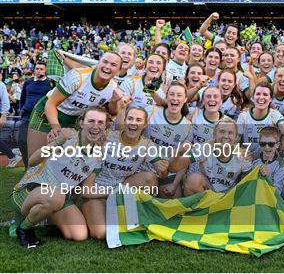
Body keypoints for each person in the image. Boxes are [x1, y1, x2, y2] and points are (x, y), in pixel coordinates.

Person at [10, 106, 109, 248]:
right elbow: (32, 161)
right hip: (31, 190)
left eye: (100, 122)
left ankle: (44, 215)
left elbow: (86, 190)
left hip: (59, 197)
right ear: (81, 123)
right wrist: (58, 141)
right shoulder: (67, 136)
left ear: (105, 126)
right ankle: (24, 228)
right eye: (91, 121)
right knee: (57, 196)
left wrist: (113, 191)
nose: (95, 126)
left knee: (79, 234)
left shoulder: (98, 155)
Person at [81, 106, 168, 240]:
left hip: (120, 190)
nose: (133, 123)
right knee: (100, 233)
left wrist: (163, 168)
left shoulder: (147, 144)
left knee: (149, 178)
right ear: (125, 121)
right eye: (130, 118)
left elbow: (162, 175)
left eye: (138, 120)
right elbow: (86, 189)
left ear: (144, 125)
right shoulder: (107, 136)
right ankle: (100, 213)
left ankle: (136, 215)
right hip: (96, 191)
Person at [27, 52, 123, 166]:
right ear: (98, 63)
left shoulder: (113, 87)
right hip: (47, 112)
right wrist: (55, 127)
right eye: (105, 62)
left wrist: (114, 101)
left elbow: (112, 112)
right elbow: (51, 103)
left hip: (73, 120)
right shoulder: (78, 77)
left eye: (113, 64)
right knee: (35, 161)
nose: (107, 66)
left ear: (118, 71)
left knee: (62, 164)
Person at [144, 82, 192, 198]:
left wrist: (175, 185)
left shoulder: (188, 126)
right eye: (172, 94)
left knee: (174, 206)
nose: (175, 98)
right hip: (144, 168)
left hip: (167, 173)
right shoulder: (151, 112)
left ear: (185, 99)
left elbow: (184, 161)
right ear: (166, 97)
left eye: (179, 95)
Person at [17, 61, 55, 168]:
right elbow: (22, 98)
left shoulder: (51, 84)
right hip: (27, 116)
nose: (39, 71)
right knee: (22, 141)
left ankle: (41, 167)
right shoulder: (28, 82)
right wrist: (22, 109)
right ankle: (27, 166)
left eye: (41, 69)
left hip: (42, 118)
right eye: (37, 69)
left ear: (45, 70)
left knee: (42, 144)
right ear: (34, 70)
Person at [250, 126, 284, 194]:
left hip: (270, 193)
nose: (267, 147)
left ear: (277, 145)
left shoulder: (281, 163)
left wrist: (267, 177)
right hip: (255, 190)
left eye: (271, 144)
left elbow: (277, 192)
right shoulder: (254, 157)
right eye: (263, 144)